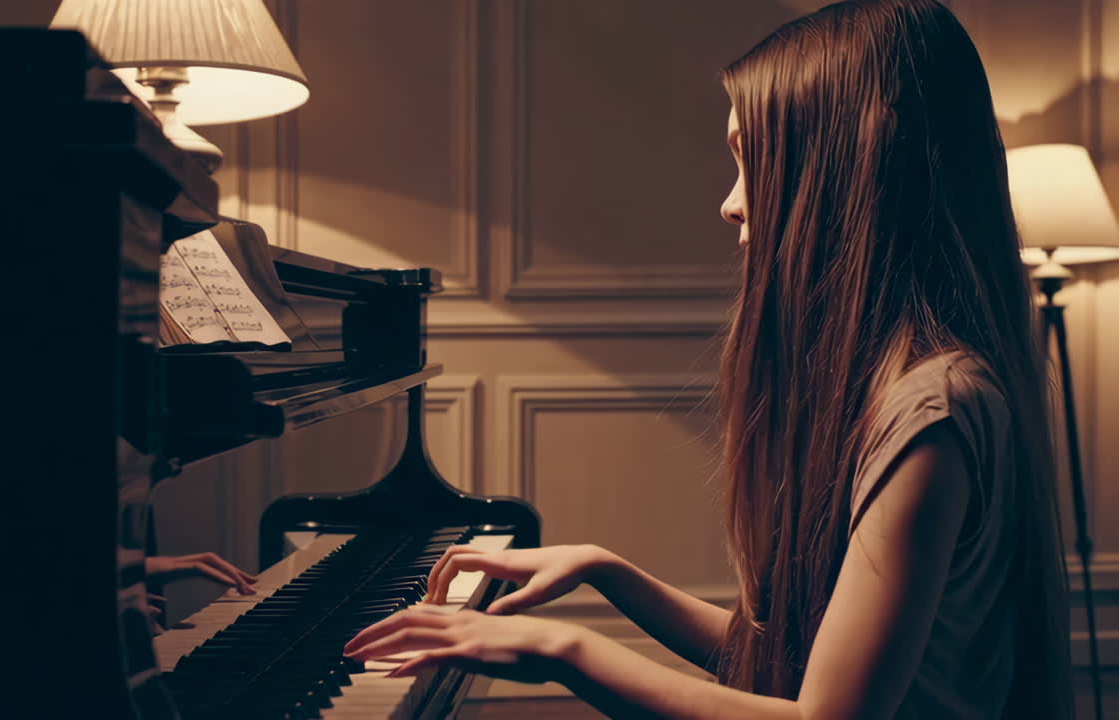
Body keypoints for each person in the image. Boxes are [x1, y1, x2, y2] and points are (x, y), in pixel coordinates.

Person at [342, 0, 1073, 717]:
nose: (730, 203)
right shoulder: (914, 393)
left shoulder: (932, 411)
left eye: (751, 160)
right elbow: (785, 669)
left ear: (848, 165)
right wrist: (606, 569)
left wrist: (562, 648)